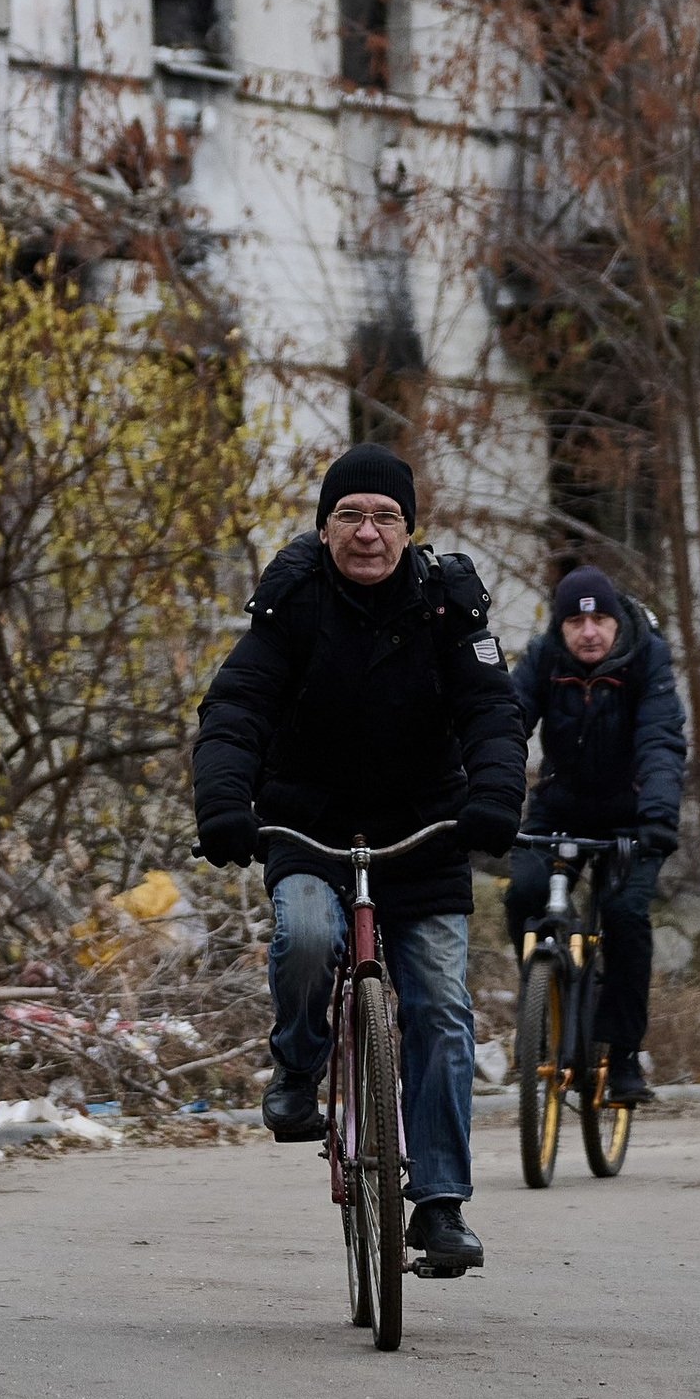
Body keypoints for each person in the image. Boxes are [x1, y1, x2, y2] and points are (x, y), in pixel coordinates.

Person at [191, 446, 525, 1279]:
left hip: (426, 830)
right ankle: (299, 1068)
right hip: (311, 825)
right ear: (324, 526)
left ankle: (441, 1204)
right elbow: (236, 709)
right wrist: (226, 807)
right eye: (349, 515)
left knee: (443, 1004)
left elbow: (492, 712)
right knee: (306, 934)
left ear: (410, 530)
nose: (367, 533)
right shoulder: (292, 602)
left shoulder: (450, 606)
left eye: (383, 516)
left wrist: (493, 801)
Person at [504, 564, 687, 1108]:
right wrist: (482, 797)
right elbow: (506, 722)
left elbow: (660, 737)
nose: (590, 633)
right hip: (560, 808)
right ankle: (546, 997)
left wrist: (657, 818)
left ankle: (624, 1054)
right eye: (577, 623)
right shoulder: (543, 659)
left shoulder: (645, 657)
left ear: (614, 622)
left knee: (626, 914)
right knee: (524, 896)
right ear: (560, 628)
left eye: (601, 620)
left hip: (633, 818)